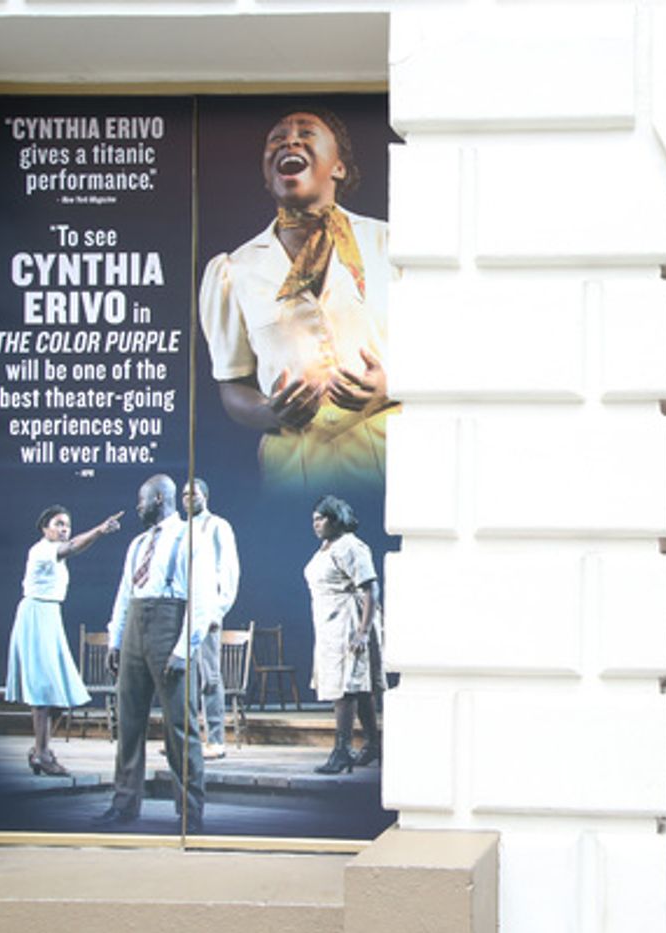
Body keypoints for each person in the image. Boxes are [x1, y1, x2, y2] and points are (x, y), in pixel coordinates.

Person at [199, 107, 395, 489]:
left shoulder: (392, 245)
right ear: (267, 174)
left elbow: (448, 352)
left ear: (338, 167)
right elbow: (232, 384)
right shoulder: (232, 271)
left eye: (306, 133)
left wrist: (390, 383)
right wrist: (269, 412)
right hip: (294, 471)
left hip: (389, 459)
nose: (290, 141)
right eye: (278, 139)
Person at [96, 474, 213, 833]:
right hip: (135, 625)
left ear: (160, 499)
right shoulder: (137, 544)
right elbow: (124, 594)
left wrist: (184, 648)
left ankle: (189, 812)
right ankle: (124, 803)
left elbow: (203, 597)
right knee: (129, 722)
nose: (137, 507)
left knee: (180, 725)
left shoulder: (190, 536)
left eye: (142, 500)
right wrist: (116, 640)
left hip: (170, 625)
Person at [4, 504, 122, 776]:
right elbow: (72, 547)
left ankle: (40, 751)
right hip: (36, 614)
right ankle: (43, 754)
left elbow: (72, 545)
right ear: (45, 529)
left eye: (67, 524)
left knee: (59, 693)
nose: (64, 528)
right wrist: (101, 530)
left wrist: (95, 533)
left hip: (49, 614)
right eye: (58, 523)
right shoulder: (42, 550)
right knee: (44, 691)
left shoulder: (54, 552)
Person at [304, 494, 382, 773]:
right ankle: (373, 743)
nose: (316, 523)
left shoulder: (350, 545)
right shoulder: (326, 547)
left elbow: (371, 588)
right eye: (313, 518)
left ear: (336, 519)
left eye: (321, 518)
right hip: (329, 623)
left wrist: (363, 631)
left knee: (347, 686)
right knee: (356, 687)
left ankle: (342, 749)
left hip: (348, 622)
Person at [182, 478, 239, 760]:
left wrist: (218, 610)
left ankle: (216, 739)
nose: (187, 499)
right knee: (186, 676)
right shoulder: (181, 529)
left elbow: (228, 570)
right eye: (183, 495)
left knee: (210, 677)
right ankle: (190, 739)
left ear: (205, 495)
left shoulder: (218, 525)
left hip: (207, 611)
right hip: (183, 612)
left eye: (192, 494)